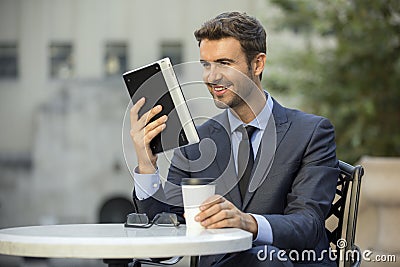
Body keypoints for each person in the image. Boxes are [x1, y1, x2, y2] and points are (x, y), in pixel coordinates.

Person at [129, 11, 339, 267]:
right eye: (206, 65)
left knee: (267, 259)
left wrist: (247, 222)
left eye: (224, 63)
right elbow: (163, 246)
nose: (211, 77)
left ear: (258, 64)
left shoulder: (311, 133)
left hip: (288, 263)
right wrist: (146, 165)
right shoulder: (196, 142)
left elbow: (309, 224)